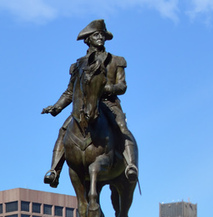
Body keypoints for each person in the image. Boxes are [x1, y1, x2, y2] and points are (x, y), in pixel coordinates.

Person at [41, 19, 139, 188]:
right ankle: (54, 170)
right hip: (83, 107)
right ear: (88, 39)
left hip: (109, 104)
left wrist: (105, 88)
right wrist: (57, 107)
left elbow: (122, 86)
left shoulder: (116, 60)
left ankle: (130, 165)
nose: (100, 37)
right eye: (96, 35)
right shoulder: (78, 65)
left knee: (122, 127)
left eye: (102, 35)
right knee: (64, 130)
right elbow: (70, 92)